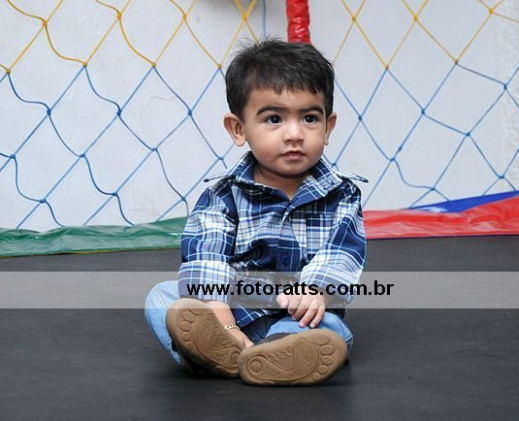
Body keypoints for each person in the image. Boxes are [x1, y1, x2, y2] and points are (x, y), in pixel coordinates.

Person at [145, 38, 367, 386]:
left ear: (328, 127)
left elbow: (342, 254)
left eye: (310, 118)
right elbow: (207, 255)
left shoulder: (342, 194)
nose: (294, 134)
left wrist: (315, 290)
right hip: (231, 311)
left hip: (299, 316)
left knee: (329, 328)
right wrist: (220, 316)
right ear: (239, 129)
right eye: (274, 119)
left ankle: (277, 353)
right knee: (161, 297)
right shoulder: (223, 195)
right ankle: (225, 351)